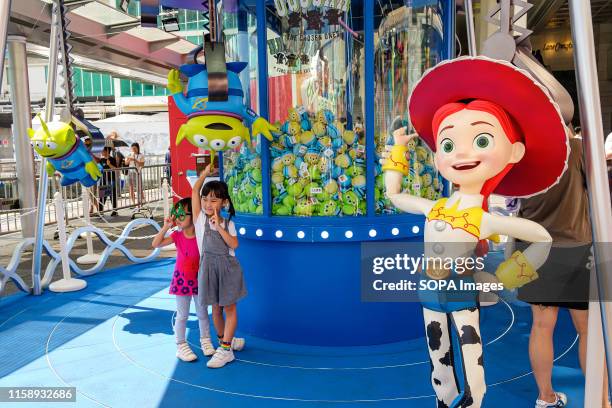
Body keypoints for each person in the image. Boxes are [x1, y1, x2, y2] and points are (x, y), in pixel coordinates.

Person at [382, 56, 569, 407]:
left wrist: (504, 279)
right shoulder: (436, 206)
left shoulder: (481, 217)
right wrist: (398, 148)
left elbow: (541, 237)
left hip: (460, 288)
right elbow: (394, 195)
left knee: (471, 350)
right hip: (428, 289)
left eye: (481, 140)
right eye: (448, 145)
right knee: (437, 352)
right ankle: (444, 397)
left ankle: (474, 399)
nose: (461, 153)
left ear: (513, 151)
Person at [517, 126, 611, 408]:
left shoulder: (522, 153)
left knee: (542, 325)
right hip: (576, 247)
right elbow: (597, 187)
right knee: (587, 328)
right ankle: (601, 400)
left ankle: (545, 397)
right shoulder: (576, 150)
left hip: (532, 249)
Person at [192, 164, 246, 368]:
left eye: (213, 200)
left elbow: (234, 244)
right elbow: (194, 191)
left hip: (227, 269)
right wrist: (204, 175)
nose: (207, 203)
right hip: (207, 268)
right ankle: (227, 342)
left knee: (229, 307)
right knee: (215, 308)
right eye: (206, 199)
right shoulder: (199, 220)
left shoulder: (228, 223)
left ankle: (225, 350)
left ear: (223, 203)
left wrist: (219, 226)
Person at [152, 198, 215, 361]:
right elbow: (156, 243)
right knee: (182, 315)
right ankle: (180, 344)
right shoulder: (177, 236)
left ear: (193, 215)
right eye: (176, 213)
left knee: (202, 313)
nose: (178, 217)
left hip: (199, 280)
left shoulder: (202, 234)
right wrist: (166, 225)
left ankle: (206, 340)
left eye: (182, 214)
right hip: (182, 281)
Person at [98, 147, 118, 216]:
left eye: (103, 151)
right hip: (103, 180)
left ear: (107, 151)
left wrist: (109, 164)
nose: (101, 152)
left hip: (111, 180)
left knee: (113, 196)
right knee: (102, 197)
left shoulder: (112, 159)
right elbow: (99, 168)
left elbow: (115, 169)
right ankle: (100, 212)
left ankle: (114, 210)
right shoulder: (101, 160)